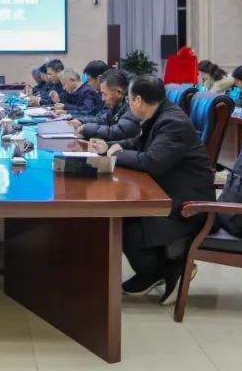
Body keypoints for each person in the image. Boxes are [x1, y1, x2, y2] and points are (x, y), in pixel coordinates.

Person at [86, 75, 213, 305]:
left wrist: (116, 155)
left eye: (129, 99)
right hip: (166, 189)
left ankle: (171, 269)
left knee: (123, 222)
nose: (129, 104)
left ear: (138, 100)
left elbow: (151, 161)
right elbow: (139, 143)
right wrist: (109, 147)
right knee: (120, 217)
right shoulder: (159, 115)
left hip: (186, 204)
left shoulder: (173, 122)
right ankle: (153, 272)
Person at [70, 69, 141, 141]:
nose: (102, 98)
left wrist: (87, 128)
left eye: (105, 94)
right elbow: (102, 120)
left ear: (119, 92)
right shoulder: (118, 105)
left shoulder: (132, 105)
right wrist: (81, 121)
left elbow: (119, 132)